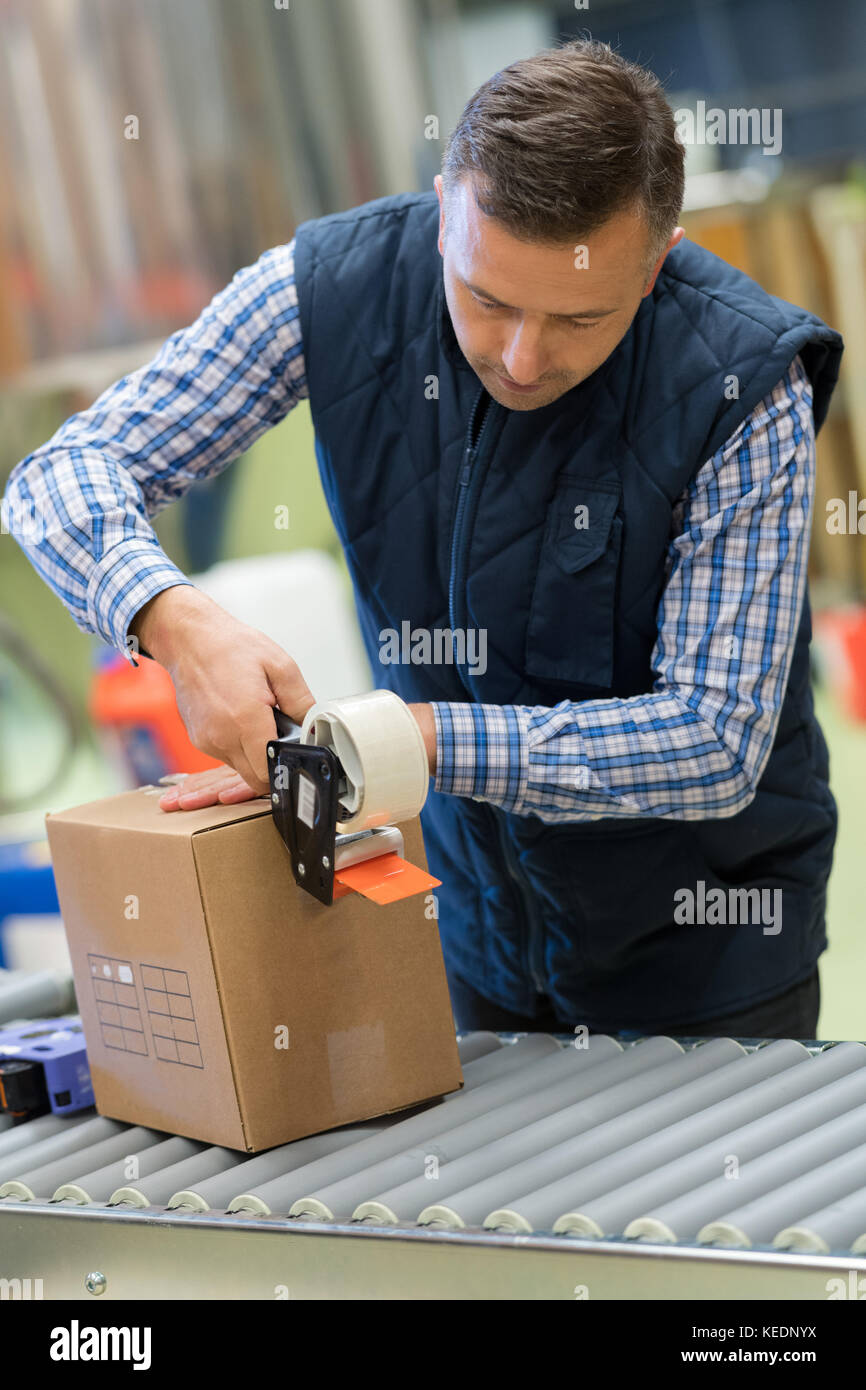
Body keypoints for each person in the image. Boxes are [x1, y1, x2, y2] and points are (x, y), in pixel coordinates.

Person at [5, 40, 842, 1041]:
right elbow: (60, 476)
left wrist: (410, 740)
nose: (522, 359)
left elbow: (710, 740)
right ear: (447, 205)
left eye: (579, 317)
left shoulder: (742, 383)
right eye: (486, 299)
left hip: (707, 963)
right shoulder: (331, 288)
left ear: (656, 259)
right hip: (473, 942)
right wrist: (170, 618)